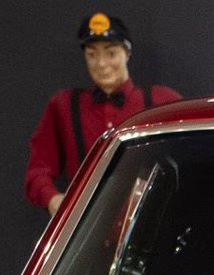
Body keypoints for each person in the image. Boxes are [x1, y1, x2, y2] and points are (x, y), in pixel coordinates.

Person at [25, 13, 180, 214]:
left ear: (127, 53)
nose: (101, 63)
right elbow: (38, 169)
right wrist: (53, 199)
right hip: (90, 222)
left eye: (111, 53)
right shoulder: (65, 106)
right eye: (92, 55)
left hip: (151, 218)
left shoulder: (162, 101)